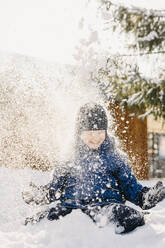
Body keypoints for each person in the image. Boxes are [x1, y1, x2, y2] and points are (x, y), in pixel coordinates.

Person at [22, 103, 165, 234]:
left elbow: (129, 187)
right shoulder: (69, 156)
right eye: (90, 133)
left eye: (100, 132)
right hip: (71, 207)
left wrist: (145, 197)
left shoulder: (115, 157)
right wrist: (40, 195)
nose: (95, 137)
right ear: (79, 132)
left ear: (106, 131)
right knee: (39, 219)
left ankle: (113, 239)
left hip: (105, 206)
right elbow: (55, 188)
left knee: (132, 216)